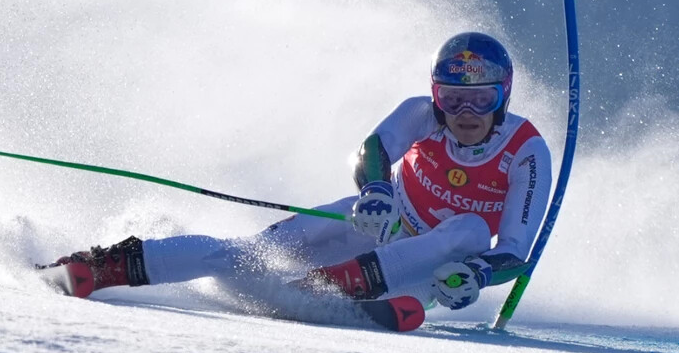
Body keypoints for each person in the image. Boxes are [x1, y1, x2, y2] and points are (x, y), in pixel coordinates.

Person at [45, 32, 552, 312]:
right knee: (240, 255)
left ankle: (325, 291)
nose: (466, 113)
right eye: (453, 98)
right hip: (378, 225)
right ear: (437, 95)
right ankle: (95, 268)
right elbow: (375, 147)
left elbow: (514, 250)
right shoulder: (422, 114)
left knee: (466, 229)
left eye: (481, 98)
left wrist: (477, 276)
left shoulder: (527, 151)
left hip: (422, 269)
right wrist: (375, 190)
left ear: (502, 96)